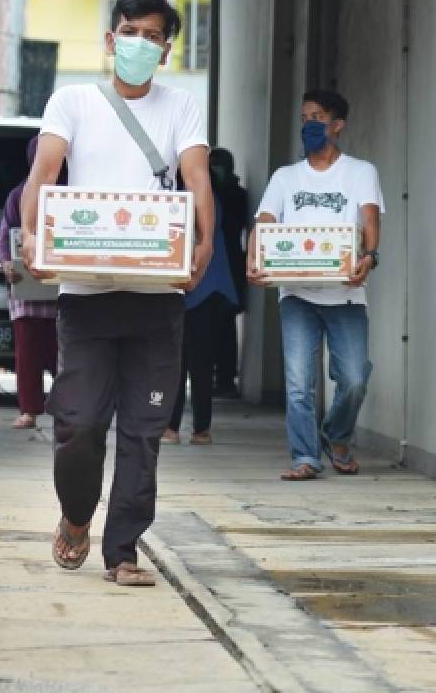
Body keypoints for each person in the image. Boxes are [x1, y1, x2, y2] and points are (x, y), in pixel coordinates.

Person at [19, 0, 215, 586]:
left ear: (166, 48)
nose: (140, 43)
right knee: (77, 424)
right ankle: (76, 515)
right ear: (110, 40)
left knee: (143, 431)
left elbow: (197, 177)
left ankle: (123, 549)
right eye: (130, 31)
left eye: (153, 35)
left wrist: (204, 244)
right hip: (86, 295)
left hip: (157, 301)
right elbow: (43, 175)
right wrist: (31, 236)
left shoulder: (182, 106)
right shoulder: (73, 101)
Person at [249, 89, 383, 481]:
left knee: (355, 378)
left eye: (318, 117)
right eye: (305, 117)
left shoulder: (360, 172)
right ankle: (305, 457)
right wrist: (253, 261)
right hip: (297, 295)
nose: (310, 124)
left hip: (346, 295)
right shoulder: (285, 177)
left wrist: (370, 256)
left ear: (337, 125)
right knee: (298, 383)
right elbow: (265, 222)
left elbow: (370, 219)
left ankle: (337, 436)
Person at [0, 136, 65, 430]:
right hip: (27, 292)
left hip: (62, 292)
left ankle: (67, 406)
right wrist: (6, 264)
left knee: (65, 353)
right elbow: (4, 237)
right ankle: (29, 410)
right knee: (27, 354)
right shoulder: (19, 195)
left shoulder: (71, 194)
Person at [163, 190, 239, 446]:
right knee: (180, 360)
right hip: (178, 286)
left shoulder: (204, 197)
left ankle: (197, 428)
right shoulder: (174, 190)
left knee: (198, 361)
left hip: (204, 287)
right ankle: (176, 426)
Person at [209, 148, 249, 397]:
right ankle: (210, 374)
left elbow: (237, 225)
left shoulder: (237, 195)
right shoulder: (203, 192)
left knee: (225, 321)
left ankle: (225, 378)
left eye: (218, 165)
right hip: (206, 263)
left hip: (231, 264)